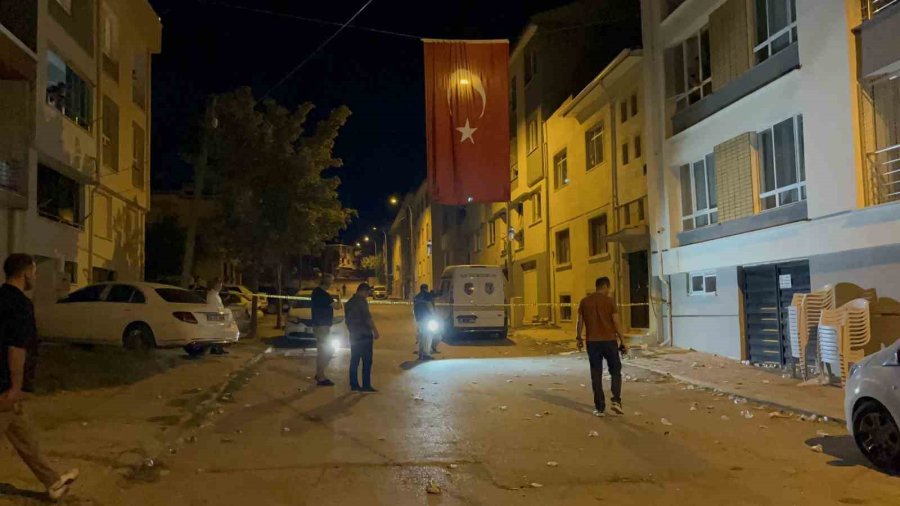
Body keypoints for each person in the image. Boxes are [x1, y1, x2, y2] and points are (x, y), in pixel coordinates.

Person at [0, 254, 79, 501]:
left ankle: (53, 482)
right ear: (25, 273)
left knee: (23, 435)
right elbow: (17, 347)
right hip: (4, 385)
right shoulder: (20, 305)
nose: (35, 276)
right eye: (34, 272)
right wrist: (15, 386)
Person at [576, 277, 627, 417]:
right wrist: (622, 341)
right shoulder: (609, 302)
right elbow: (616, 322)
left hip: (592, 342)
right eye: (608, 288)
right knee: (615, 370)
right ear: (605, 286)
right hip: (609, 341)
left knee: (596, 373)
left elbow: (579, 322)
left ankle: (600, 408)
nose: (608, 291)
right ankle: (616, 400)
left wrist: (579, 337)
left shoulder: (585, 301)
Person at [344, 283, 380, 392]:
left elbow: (347, 320)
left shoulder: (349, 302)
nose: (369, 294)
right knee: (367, 360)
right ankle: (366, 385)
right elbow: (367, 318)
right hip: (364, 335)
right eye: (368, 291)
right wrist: (375, 331)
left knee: (355, 360)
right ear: (363, 291)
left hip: (354, 335)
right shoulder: (361, 302)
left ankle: (354, 385)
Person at [311, 274, 337, 386]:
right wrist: (336, 298)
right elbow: (337, 306)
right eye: (331, 282)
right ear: (328, 283)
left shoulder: (315, 292)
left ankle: (319, 374)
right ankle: (320, 376)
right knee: (327, 351)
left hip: (318, 325)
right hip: (323, 326)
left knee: (323, 351)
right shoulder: (325, 295)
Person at [413, 284, 435, 360]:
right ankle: (426, 354)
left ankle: (421, 353)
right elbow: (430, 307)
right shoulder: (427, 296)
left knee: (422, 336)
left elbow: (414, 309)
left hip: (419, 319)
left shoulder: (416, 297)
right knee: (428, 336)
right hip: (427, 319)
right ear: (426, 288)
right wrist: (434, 316)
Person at [206, 278, 229, 355]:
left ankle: (218, 349)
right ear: (215, 285)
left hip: (217, 316)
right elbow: (214, 307)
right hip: (215, 316)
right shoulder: (212, 295)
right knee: (217, 333)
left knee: (219, 333)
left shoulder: (215, 294)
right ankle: (216, 349)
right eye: (219, 285)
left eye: (221, 286)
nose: (220, 287)